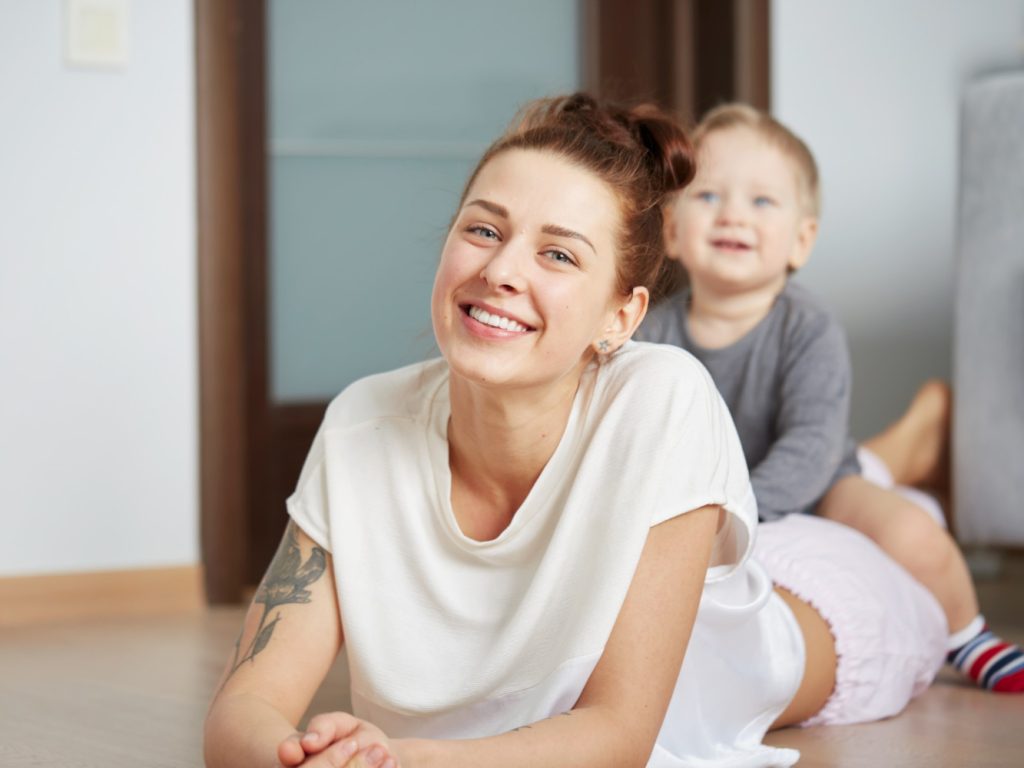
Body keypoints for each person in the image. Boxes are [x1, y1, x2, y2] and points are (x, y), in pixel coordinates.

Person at [204, 94, 946, 768]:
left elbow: (618, 736)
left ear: (620, 317)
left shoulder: (663, 395)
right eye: (483, 229)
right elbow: (243, 708)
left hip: (819, 612)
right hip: (700, 562)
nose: (500, 269)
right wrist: (302, 760)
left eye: (557, 254)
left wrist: (405, 762)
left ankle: (897, 454)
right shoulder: (362, 423)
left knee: (893, 543)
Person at [637, 102, 1023, 695]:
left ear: (801, 240)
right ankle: (914, 438)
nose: (733, 214)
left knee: (913, 531)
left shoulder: (808, 327)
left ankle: (968, 633)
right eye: (709, 195)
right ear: (671, 230)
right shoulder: (651, 331)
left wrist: (741, 512)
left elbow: (812, 443)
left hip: (819, 482)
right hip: (711, 490)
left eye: (762, 201)